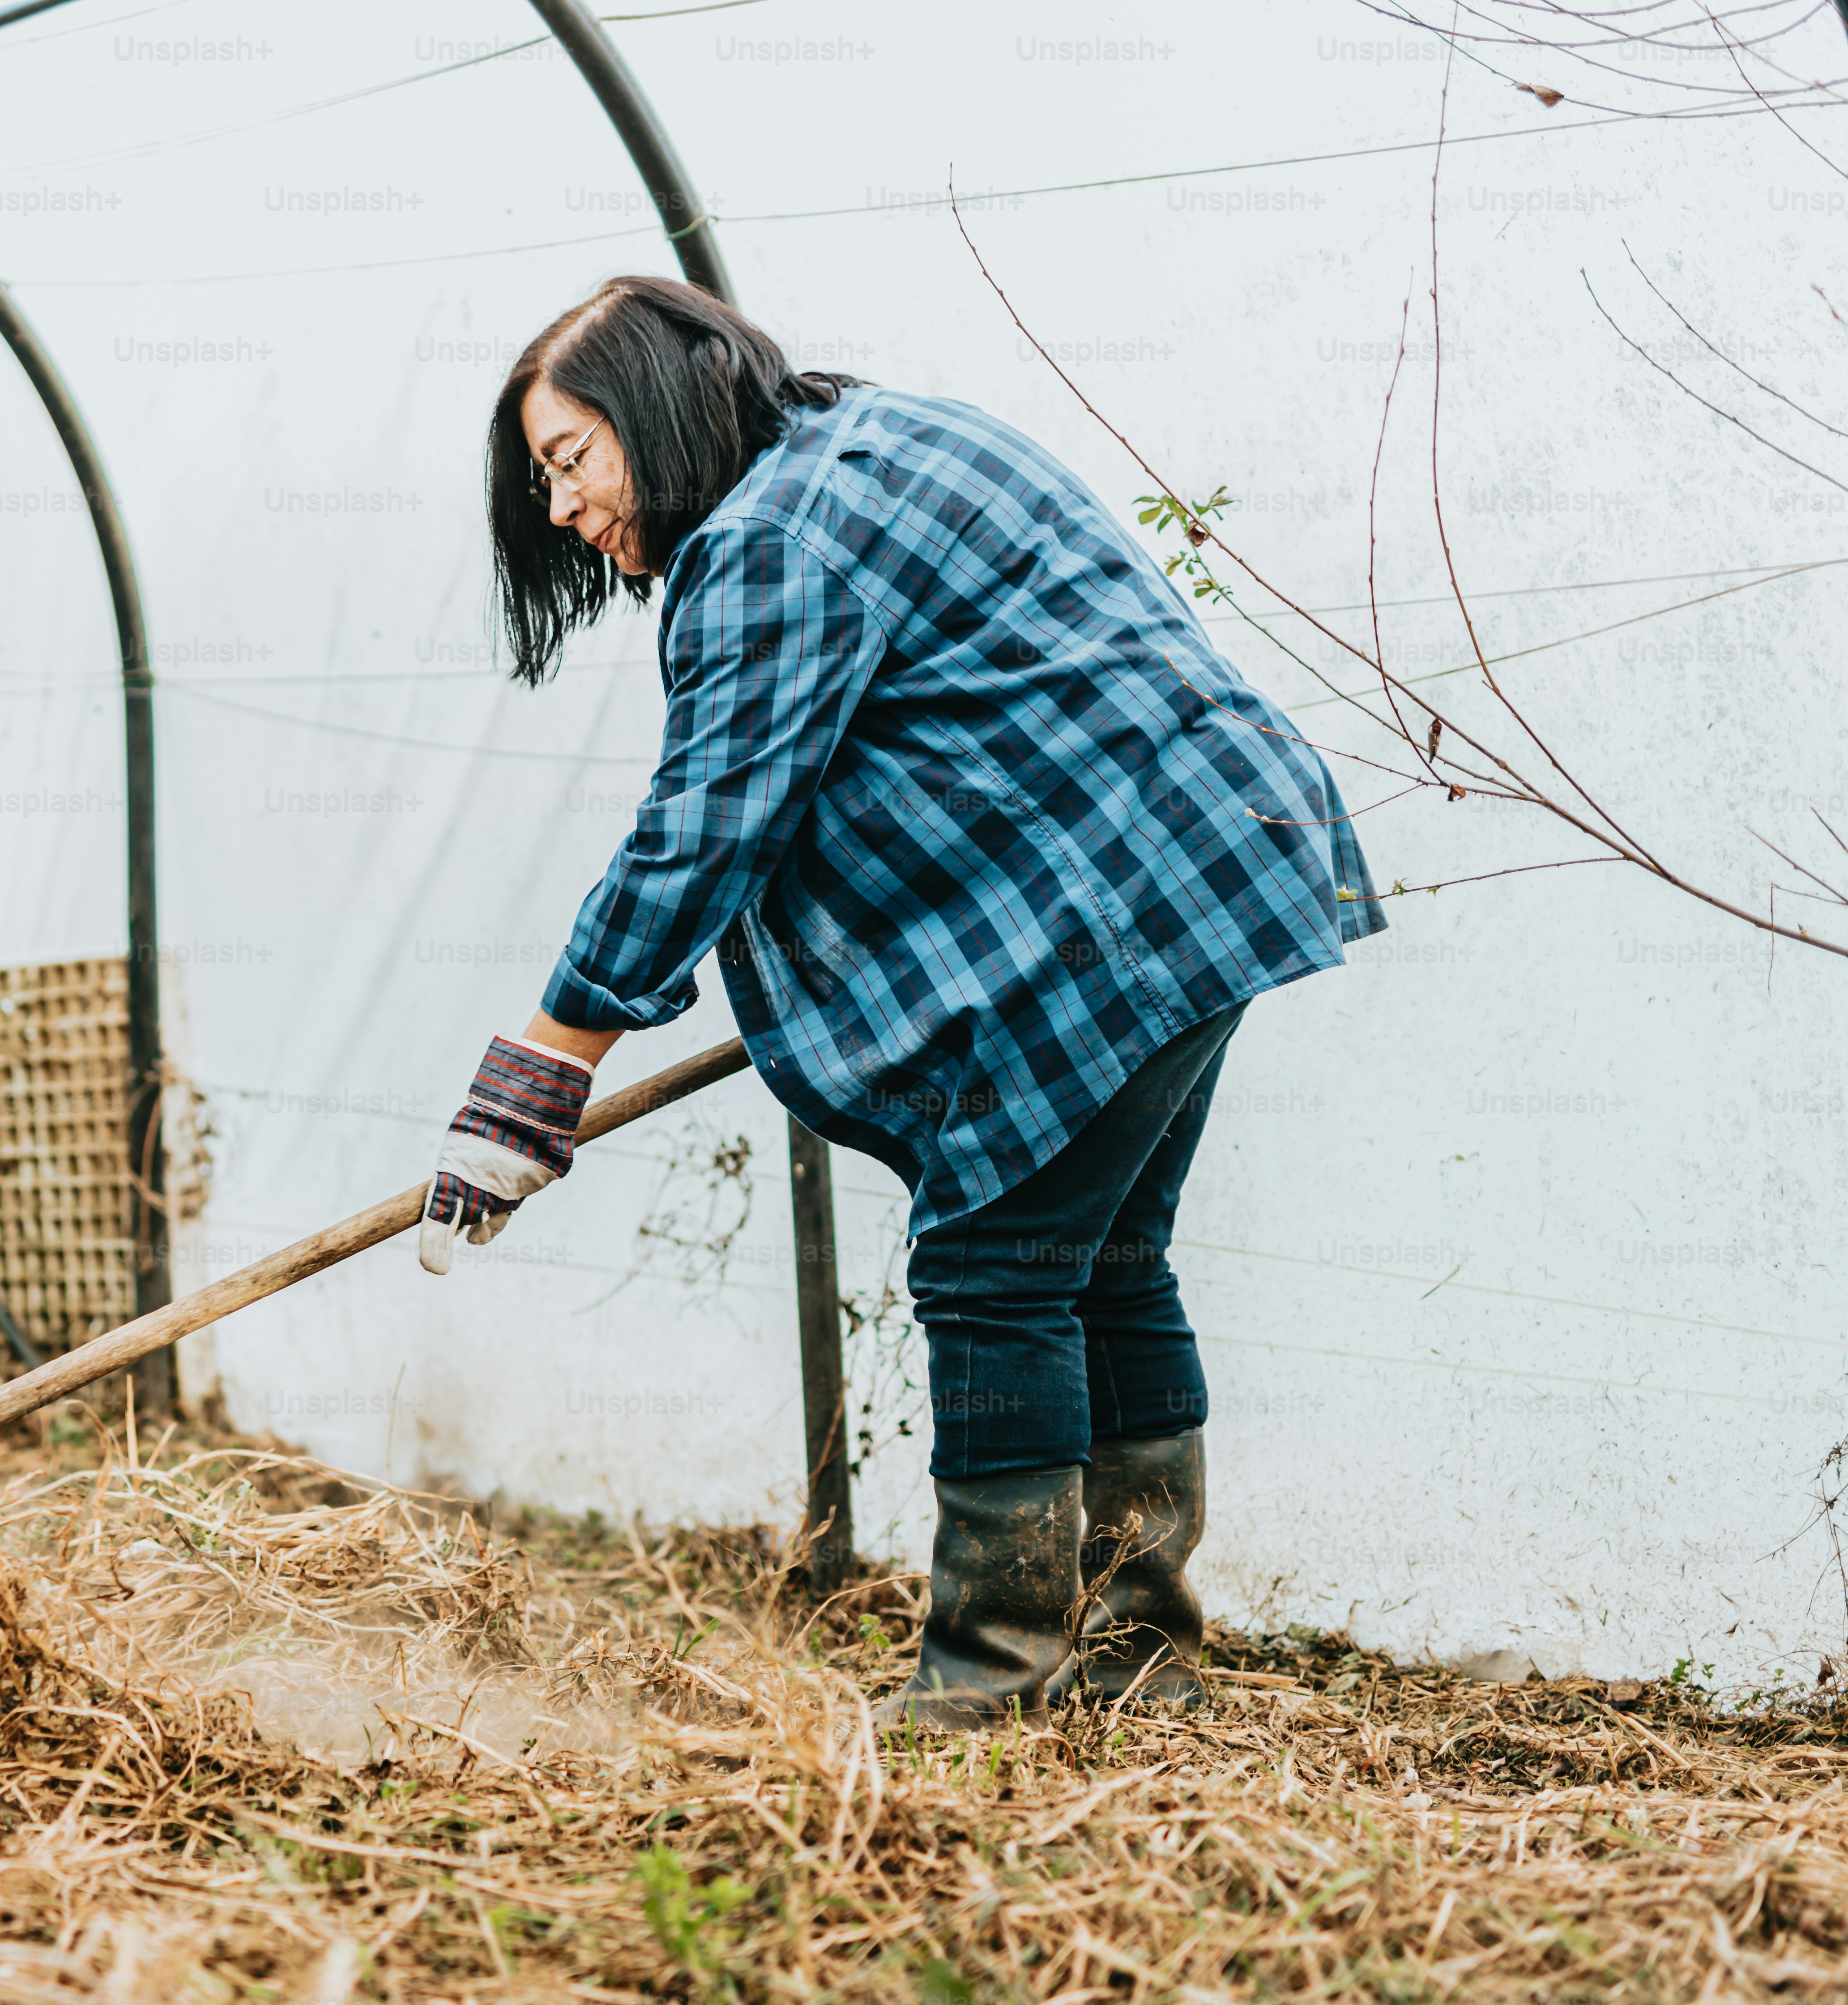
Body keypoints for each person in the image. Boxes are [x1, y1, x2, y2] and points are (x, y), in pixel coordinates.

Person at [415, 276, 1380, 1726]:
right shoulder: (885, 438)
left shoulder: (766, 546)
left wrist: (540, 1073)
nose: (559, 510)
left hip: (1116, 915)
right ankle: (1135, 1665)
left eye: (572, 460)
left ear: (661, 412)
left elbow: (708, 823)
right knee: (1107, 1264)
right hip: (1219, 863)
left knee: (994, 1267)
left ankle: (989, 1685)